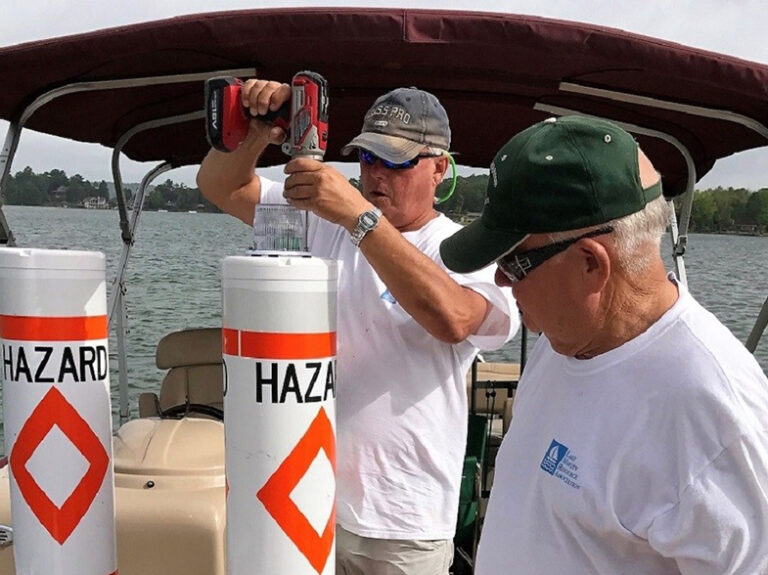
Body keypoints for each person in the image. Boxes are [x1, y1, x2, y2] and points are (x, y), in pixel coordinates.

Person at [197, 79, 518, 574]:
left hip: (401, 523)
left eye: (396, 162)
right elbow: (221, 186)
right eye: (368, 158)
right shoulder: (323, 222)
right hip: (308, 499)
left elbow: (454, 320)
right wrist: (259, 132)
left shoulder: (461, 250)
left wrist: (361, 220)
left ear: (440, 169)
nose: (375, 174)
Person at [439, 115, 768, 574]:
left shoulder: (711, 412)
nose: (498, 279)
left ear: (591, 264)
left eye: (513, 263)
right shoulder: (564, 339)